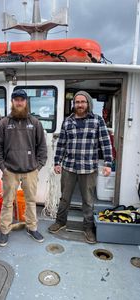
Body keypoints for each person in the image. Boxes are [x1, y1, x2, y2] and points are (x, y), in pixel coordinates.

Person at [48, 91, 113, 243]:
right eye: (77, 102)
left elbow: (105, 143)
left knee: (88, 200)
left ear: (88, 103)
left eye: (82, 102)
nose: (79, 105)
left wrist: (108, 163)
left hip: (88, 168)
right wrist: (57, 162)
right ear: (74, 104)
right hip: (69, 167)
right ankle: (60, 222)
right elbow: (61, 144)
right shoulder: (67, 121)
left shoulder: (97, 121)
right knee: (64, 198)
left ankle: (88, 228)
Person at [0, 89, 47, 247]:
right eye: (16, 99)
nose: (19, 102)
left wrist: (38, 166)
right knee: (7, 202)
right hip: (10, 171)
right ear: (12, 102)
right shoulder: (3, 123)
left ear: (26, 102)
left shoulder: (35, 123)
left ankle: (32, 227)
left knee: (31, 201)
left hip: (30, 171)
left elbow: (42, 147)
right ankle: (4, 230)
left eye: (22, 100)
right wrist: (3, 168)